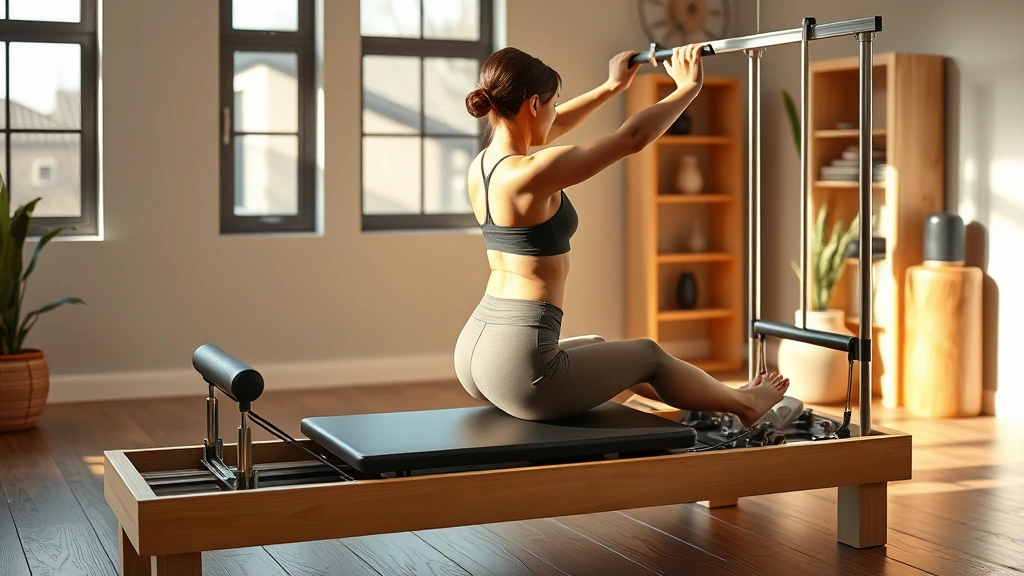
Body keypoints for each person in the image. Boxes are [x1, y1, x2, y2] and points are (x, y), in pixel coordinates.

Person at [453, 44, 789, 425]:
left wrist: (612, 86)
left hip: (478, 350)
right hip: (520, 365)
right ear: (532, 105)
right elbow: (633, 137)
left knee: (601, 348)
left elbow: (552, 126)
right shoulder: (531, 173)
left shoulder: (483, 166)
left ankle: (718, 401)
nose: (556, 114)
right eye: (552, 104)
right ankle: (747, 405)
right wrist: (687, 89)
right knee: (649, 355)